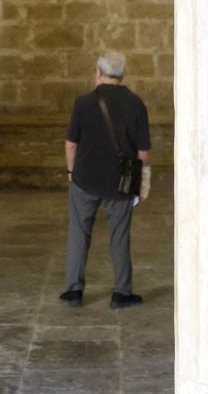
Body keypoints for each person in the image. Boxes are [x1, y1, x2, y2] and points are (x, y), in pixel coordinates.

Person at [60, 49, 150, 310]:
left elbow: (70, 144)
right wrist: (141, 186)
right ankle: (121, 293)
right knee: (120, 236)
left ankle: (74, 291)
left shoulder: (83, 102)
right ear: (122, 75)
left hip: (84, 179)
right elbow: (143, 152)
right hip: (121, 182)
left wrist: (71, 173)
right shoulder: (136, 103)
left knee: (79, 233)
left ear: (98, 73)